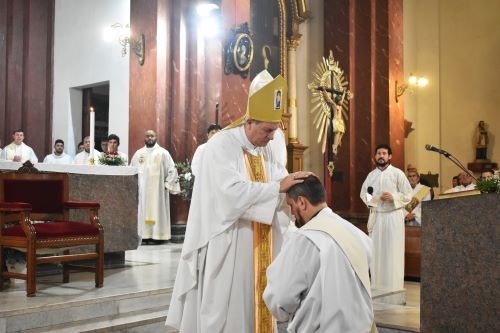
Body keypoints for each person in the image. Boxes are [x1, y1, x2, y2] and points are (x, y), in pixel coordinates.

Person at [166, 70, 310, 332]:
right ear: (250, 122)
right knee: (231, 309)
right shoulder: (221, 145)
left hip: (262, 239)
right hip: (231, 244)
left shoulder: (265, 148)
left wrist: (296, 193)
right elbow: (229, 194)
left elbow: (280, 181)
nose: (271, 137)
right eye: (268, 130)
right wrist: (278, 188)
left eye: (275, 131)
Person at [263, 175, 375, 333]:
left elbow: (280, 298)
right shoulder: (357, 234)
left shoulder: (303, 239)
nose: (292, 214)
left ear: (302, 202)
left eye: (291, 205)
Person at [360, 144, 412, 291]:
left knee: (392, 251)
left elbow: (408, 194)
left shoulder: (397, 174)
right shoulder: (371, 176)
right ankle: (377, 287)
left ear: (389, 156)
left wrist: (393, 197)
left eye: (384, 153)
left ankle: (394, 288)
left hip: (393, 216)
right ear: (375, 157)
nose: (381, 156)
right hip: (377, 217)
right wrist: (375, 200)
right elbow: (365, 194)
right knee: (376, 251)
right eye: (378, 153)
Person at [130, 130, 180, 244]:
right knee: (143, 210)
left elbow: (172, 170)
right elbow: (132, 169)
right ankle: (145, 236)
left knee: (157, 210)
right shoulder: (139, 153)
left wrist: (168, 184)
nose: (149, 138)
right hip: (143, 191)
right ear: (144, 138)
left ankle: (158, 236)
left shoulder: (163, 153)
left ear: (156, 137)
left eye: (152, 136)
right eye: (147, 136)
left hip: (158, 192)